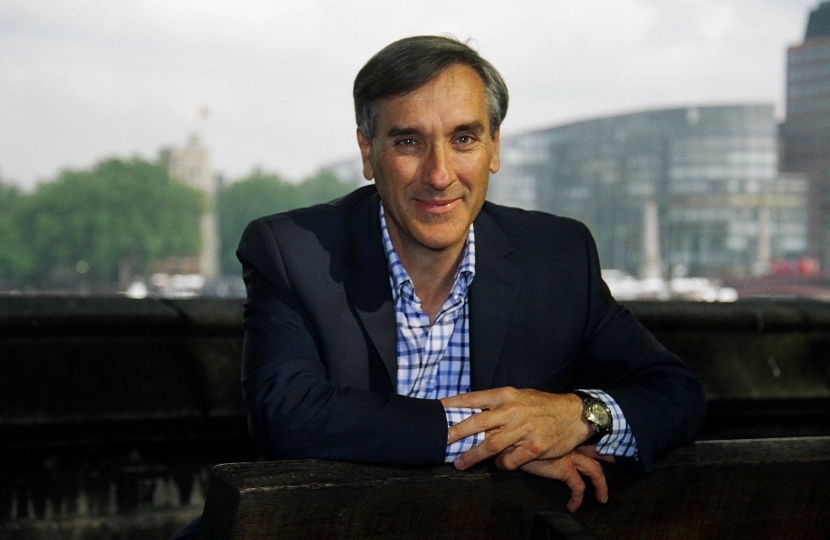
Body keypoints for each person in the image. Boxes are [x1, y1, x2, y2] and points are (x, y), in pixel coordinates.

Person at [171, 34, 705, 539]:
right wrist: (504, 434)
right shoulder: (293, 251)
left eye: (464, 139)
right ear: (367, 153)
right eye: (409, 142)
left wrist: (580, 417)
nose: (440, 174)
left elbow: (675, 393)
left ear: (494, 148)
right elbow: (287, 414)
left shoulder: (557, 257)